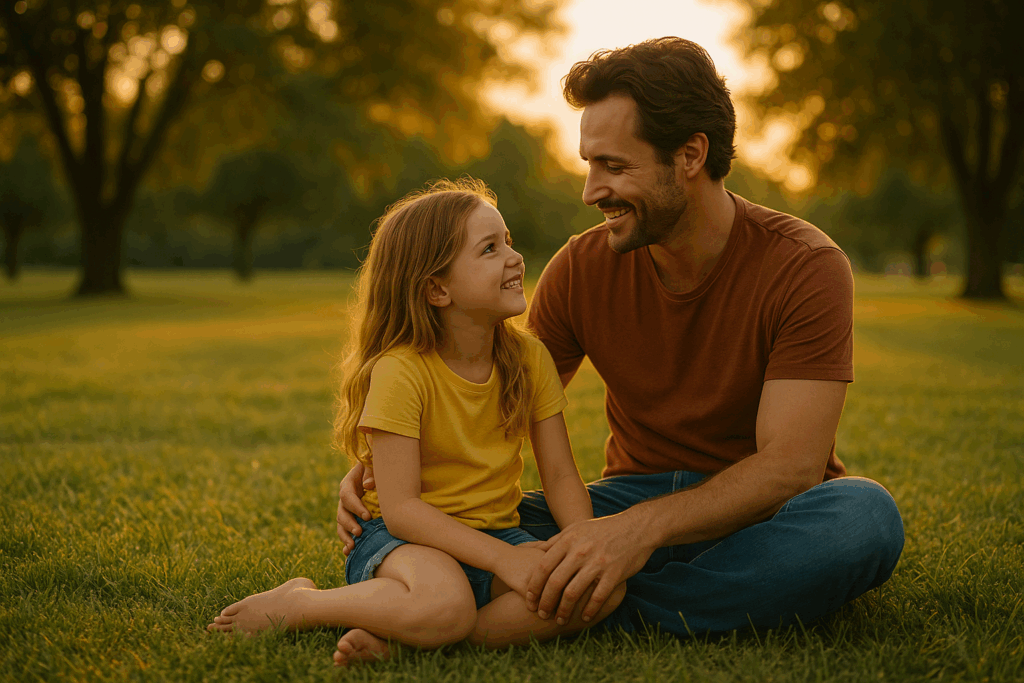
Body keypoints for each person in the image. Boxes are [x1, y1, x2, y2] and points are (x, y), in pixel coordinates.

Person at [336, 37, 905, 639]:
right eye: (589, 164)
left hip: (758, 518)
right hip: (621, 501)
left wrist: (638, 534)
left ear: (689, 155)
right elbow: (490, 393)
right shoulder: (583, 266)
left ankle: (572, 608)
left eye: (613, 166)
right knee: (483, 521)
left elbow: (789, 468)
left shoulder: (805, 265)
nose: (590, 191)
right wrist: (383, 472)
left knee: (863, 518)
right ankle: (566, 600)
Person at [207, 178, 625, 666]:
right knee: (444, 603)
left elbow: (559, 476)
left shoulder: (530, 359)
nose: (514, 257)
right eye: (490, 249)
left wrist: (582, 551)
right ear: (437, 289)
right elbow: (403, 508)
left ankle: (416, 639)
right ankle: (304, 603)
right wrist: (505, 561)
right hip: (402, 540)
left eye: (508, 241)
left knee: (601, 592)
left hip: (496, 533)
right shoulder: (401, 371)